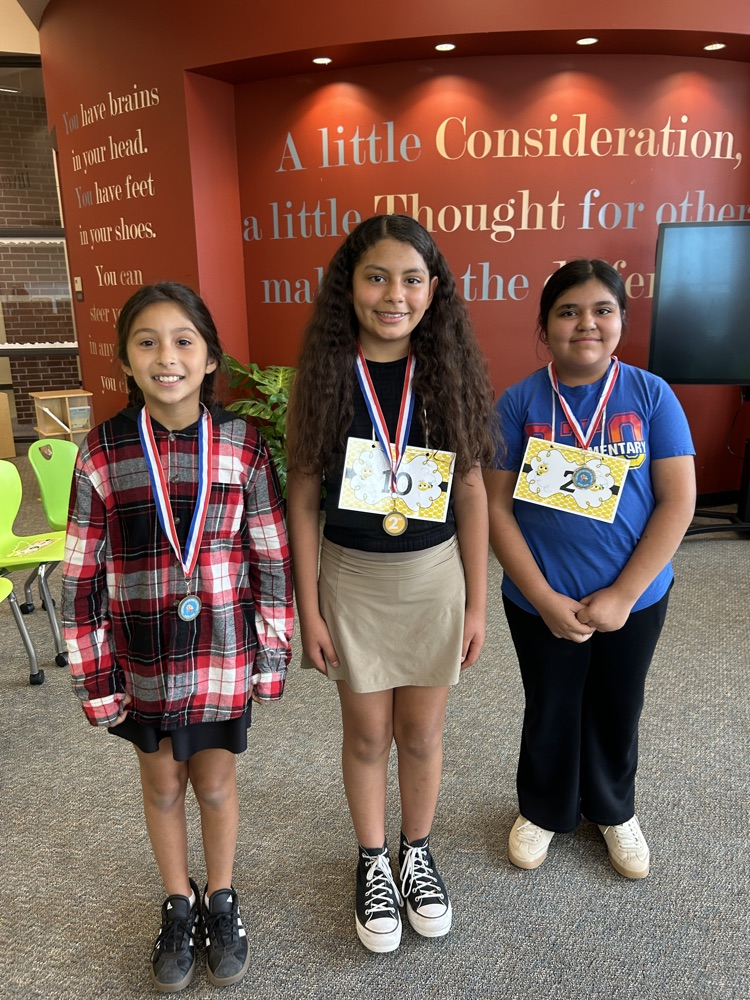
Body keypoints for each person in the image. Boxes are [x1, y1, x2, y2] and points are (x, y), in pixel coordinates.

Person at [61, 282, 293, 992]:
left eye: (184, 341)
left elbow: (272, 558)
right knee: (162, 785)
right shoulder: (102, 452)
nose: (168, 357)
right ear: (125, 362)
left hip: (220, 658)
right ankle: (178, 898)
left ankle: (221, 898)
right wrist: (94, 682)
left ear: (211, 356)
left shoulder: (244, 445)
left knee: (216, 786)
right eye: (147, 342)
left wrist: (272, 656)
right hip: (143, 663)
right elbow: (79, 580)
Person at [286, 214, 496, 952]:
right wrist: (307, 605)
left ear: (433, 290)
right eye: (377, 277)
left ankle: (417, 850)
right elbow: (304, 495)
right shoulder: (327, 375)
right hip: (353, 580)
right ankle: (373, 858)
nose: (394, 295)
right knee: (369, 732)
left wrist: (476, 600)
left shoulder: (448, 374)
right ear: (351, 288)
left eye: (411, 279)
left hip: (433, 578)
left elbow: (470, 491)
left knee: (423, 730)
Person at [485, 258, 696, 880]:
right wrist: (544, 597)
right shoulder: (519, 402)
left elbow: (678, 500)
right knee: (550, 705)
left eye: (602, 310)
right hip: (539, 597)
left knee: (616, 704)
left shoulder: (651, 395)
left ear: (622, 322)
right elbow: (494, 506)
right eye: (568, 311)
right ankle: (544, 809)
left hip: (635, 597)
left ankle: (612, 808)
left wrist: (624, 594)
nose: (586, 323)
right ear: (545, 326)